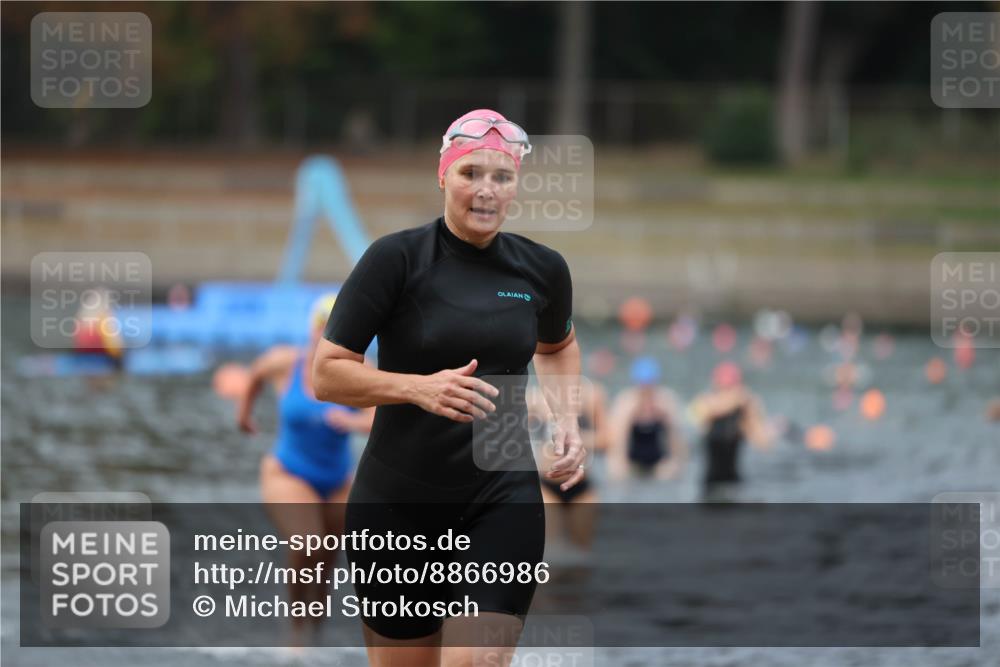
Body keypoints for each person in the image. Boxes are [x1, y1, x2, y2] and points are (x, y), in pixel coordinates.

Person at [313, 109, 585, 667]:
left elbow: (557, 349)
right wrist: (416, 388)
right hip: (398, 504)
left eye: (501, 177)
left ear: (515, 186)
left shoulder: (542, 269)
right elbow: (327, 373)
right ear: (443, 176)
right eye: (470, 174)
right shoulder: (396, 259)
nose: (486, 190)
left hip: (501, 497)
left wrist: (566, 420)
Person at [236, 293, 375, 646]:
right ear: (313, 330)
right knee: (307, 542)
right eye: (322, 328)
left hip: (338, 478)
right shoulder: (287, 362)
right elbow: (254, 373)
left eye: (338, 329)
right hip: (288, 472)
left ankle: (314, 636)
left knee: (327, 560)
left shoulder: (361, 372)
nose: (328, 335)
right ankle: (294, 637)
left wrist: (352, 420)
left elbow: (379, 415)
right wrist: (244, 415)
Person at [527, 380, 606, 550]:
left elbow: (608, 439)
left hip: (581, 487)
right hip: (548, 486)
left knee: (582, 552)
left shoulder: (591, 395)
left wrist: (574, 435)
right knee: (550, 551)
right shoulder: (536, 397)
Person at [690, 361, 773, 502]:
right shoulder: (706, 402)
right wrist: (737, 399)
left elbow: (764, 444)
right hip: (710, 486)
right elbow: (699, 416)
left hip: (735, 484)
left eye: (730, 387)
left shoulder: (744, 412)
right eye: (724, 387)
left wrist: (751, 412)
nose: (728, 392)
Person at [607, 357, 687, 482]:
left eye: (650, 386)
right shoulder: (625, 402)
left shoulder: (666, 400)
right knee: (620, 472)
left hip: (659, 461)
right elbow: (616, 444)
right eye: (643, 387)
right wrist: (619, 466)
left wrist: (674, 463)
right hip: (632, 462)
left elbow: (679, 444)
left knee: (666, 473)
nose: (646, 391)